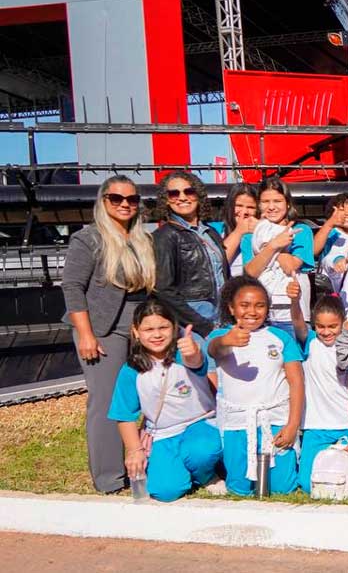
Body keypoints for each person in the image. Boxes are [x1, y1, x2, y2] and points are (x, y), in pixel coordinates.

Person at [63, 175, 157, 494]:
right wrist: (86, 334)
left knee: (140, 398)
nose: (124, 204)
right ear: (104, 202)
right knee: (105, 402)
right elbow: (73, 287)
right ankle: (109, 477)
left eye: (131, 199)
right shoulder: (88, 239)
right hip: (103, 329)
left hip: (139, 327)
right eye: (116, 199)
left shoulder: (143, 239)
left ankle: (139, 463)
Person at [108, 298, 221, 502]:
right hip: (162, 433)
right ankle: (183, 470)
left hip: (200, 424)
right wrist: (135, 450)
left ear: (174, 327)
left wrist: (193, 353)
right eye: (149, 329)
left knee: (202, 451)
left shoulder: (185, 354)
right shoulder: (131, 370)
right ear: (136, 331)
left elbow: (196, 363)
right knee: (165, 491)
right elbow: (124, 414)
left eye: (163, 327)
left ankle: (206, 475)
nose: (157, 334)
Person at [206, 276, 306, 496]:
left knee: (282, 489)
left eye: (260, 305)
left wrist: (292, 425)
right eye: (244, 305)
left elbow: (296, 381)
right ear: (231, 308)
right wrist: (226, 341)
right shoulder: (221, 336)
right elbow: (214, 350)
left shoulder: (280, 337)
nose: (252, 311)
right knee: (239, 488)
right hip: (238, 424)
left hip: (276, 421)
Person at [294, 295, 348, 495]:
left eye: (333, 326)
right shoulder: (310, 343)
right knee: (309, 485)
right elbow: (298, 323)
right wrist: (294, 301)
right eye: (320, 326)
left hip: (347, 423)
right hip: (317, 425)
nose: (326, 332)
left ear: (343, 321)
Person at [151, 171, 228, 337]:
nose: (182, 197)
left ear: (198, 195)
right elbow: (164, 290)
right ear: (166, 200)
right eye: (173, 193)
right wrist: (201, 325)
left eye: (189, 191)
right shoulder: (165, 236)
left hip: (221, 315)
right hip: (192, 321)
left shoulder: (210, 232)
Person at [242, 177, 316, 329]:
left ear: (288, 203)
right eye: (265, 202)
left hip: (294, 316)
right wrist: (274, 244)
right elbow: (250, 272)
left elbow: (290, 266)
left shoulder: (301, 231)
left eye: (277, 201)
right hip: (261, 315)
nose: (271, 207)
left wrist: (268, 236)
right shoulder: (249, 236)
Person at [213, 183, 257, 277]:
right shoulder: (213, 229)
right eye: (239, 206)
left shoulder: (261, 230)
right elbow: (216, 264)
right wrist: (239, 231)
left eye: (250, 207)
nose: (244, 212)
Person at [312, 193, 348, 266]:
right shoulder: (330, 233)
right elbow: (313, 251)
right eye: (341, 210)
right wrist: (329, 224)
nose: (347, 213)